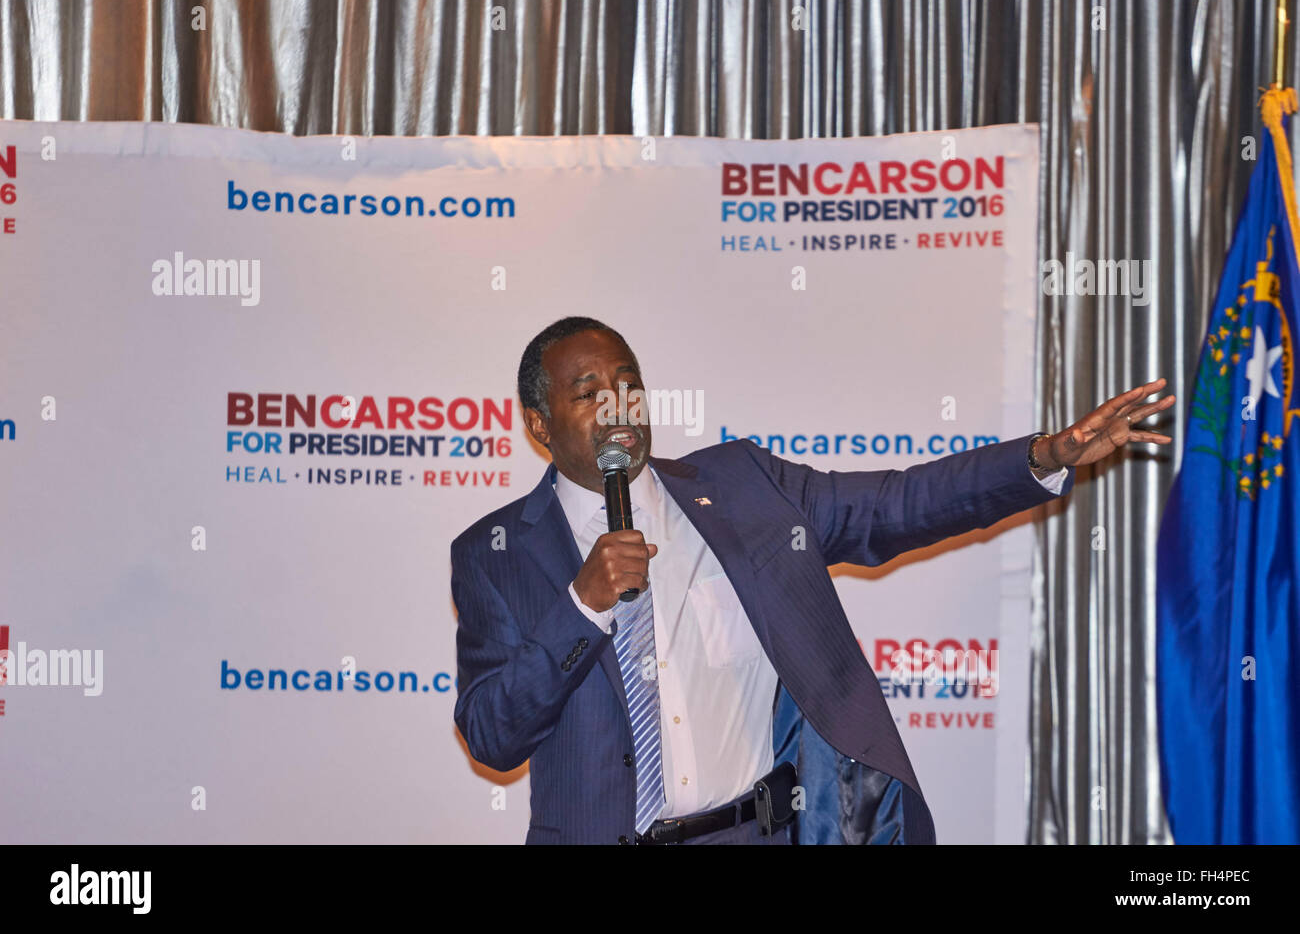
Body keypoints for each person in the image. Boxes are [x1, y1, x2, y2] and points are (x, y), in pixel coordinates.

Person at [450, 316, 1175, 844]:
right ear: (540, 426)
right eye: (587, 393)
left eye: (628, 385)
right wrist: (584, 605)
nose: (617, 408)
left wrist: (1047, 453)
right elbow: (492, 735)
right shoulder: (496, 552)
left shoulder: (740, 486)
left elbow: (898, 502)